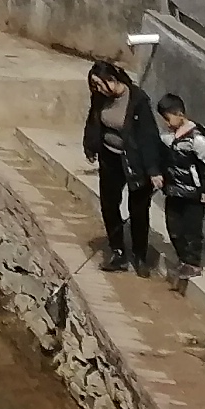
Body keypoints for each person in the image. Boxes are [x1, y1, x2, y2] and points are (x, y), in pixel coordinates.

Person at [86, 62, 164, 271]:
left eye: (100, 84)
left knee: (138, 209)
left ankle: (140, 255)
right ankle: (118, 251)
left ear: (112, 80)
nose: (98, 89)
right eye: (94, 85)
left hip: (134, 161)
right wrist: (90, 146)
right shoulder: (99, 99)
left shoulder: (137, 101)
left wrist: (153, 170)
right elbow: (93, 121)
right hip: (110, 159)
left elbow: (149, 137)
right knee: (109, 204)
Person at [155, 95, 205, 287]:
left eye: (168, 118)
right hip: (173, 190)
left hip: (193, 192)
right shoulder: (167, 137)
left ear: (179, 114)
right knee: (174, 227)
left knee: (191, 229)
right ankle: (183, 259)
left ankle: (192, 262)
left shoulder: (198, 140)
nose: (166, 123)